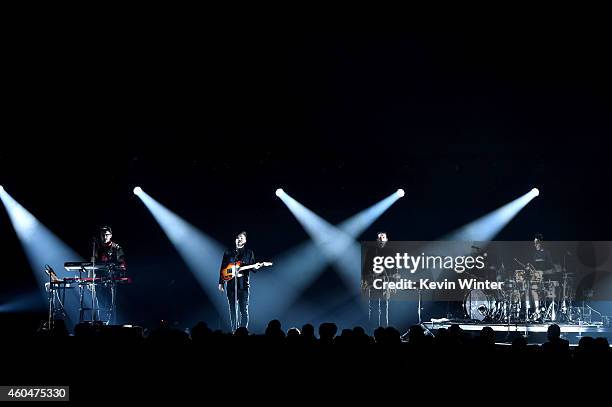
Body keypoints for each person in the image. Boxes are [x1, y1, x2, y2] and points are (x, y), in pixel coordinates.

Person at [218, 231, 261, 331]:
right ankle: (234, 331)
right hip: (231, 285)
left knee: (243, 310)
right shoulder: (228, 252)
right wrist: (221, 282)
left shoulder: (249, 253)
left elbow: (253, 269)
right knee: (232, 309)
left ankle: (242, 331)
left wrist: (256, 266)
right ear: (235, 240)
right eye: (238, 237)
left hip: (243, 286)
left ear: (245, 241)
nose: (239, 239)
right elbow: (223, 268)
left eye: (242, 237)